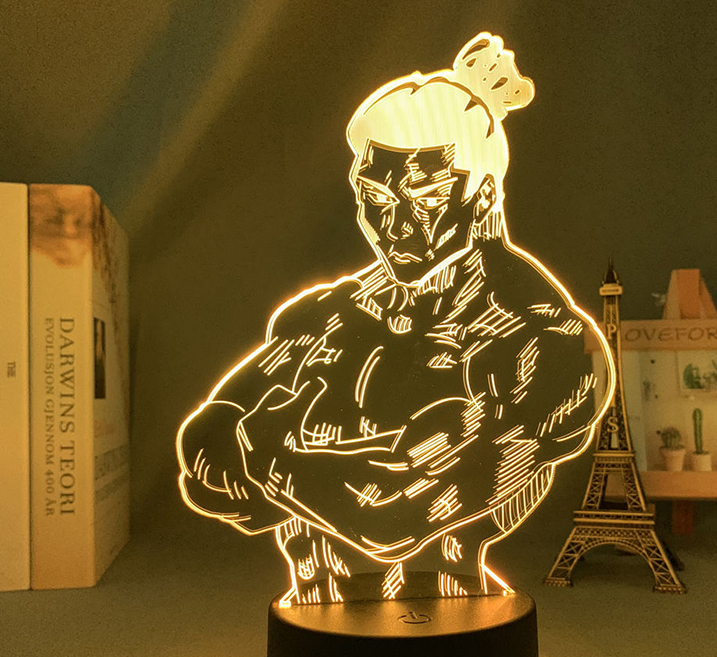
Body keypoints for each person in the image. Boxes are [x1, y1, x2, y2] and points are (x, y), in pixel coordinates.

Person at [177, 33, 615, 605]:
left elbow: (393, 515)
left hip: (458, 612)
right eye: (376, 200)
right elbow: (207, 449)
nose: (394, 227)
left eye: (424, 198)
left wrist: (261, 446)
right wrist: (310, 464)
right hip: (317, 609)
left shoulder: (546, 343)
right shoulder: (328, 310)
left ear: (483, 196)